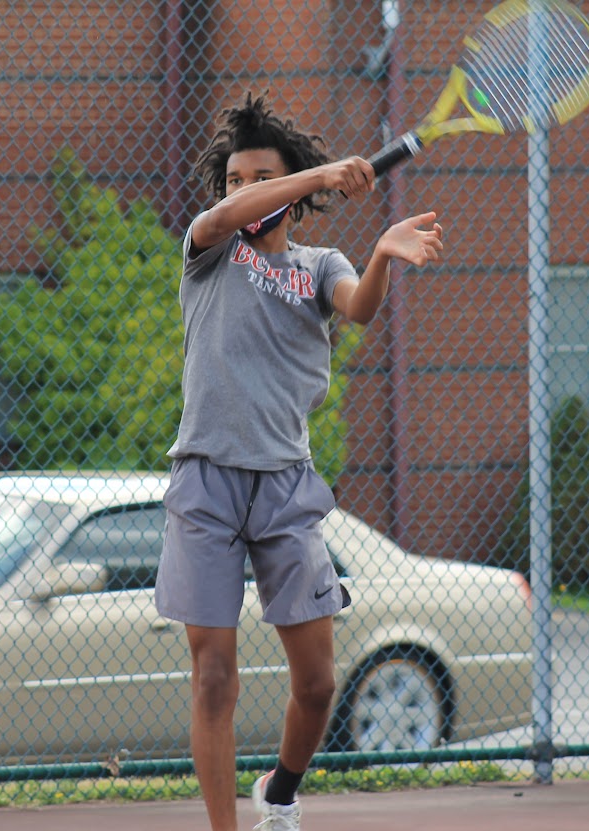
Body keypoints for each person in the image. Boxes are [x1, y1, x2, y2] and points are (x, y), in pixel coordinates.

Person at [155, 93, 445, 831]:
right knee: (214, 677)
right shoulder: (209, 250)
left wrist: (380, 251)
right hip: (206, 481)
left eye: (262, 177)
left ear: (292, 190)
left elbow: (359, 308)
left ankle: (279, 795)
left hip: (286, 486)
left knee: (317, 685)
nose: (244, 191)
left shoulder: (319, 266)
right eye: (235, 179)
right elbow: (225, 216)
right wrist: (314, 175)